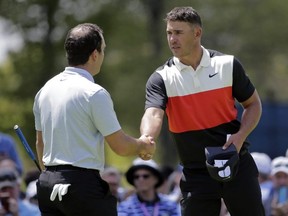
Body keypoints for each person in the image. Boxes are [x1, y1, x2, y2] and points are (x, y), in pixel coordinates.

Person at [140, 6, 264, 216]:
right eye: (169, 33)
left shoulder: (227, 64)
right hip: (195, 173)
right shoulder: (160, 78)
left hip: (237, 164)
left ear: (197, 33)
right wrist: (147, 137)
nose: (172, 39)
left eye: (178, 32)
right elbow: (153, 113)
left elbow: (253, 104)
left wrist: (241, 135)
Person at [33, 23, 155, 216]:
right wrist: (142, 146)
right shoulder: (94, 93)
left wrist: (49, 176)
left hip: (48, 184)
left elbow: (40, 143)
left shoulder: (45, 90)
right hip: (82, 186)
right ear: (94, 55)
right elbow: (120, 146)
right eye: (103, 49)